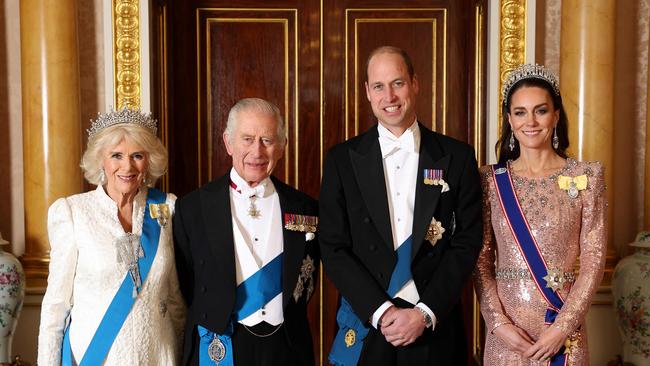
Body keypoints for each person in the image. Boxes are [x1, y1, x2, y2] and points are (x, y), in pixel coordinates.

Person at [319, 46, 483, 365]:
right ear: (367, 92)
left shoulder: (457, 157)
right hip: (369, 326)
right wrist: (382, 312)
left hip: (435, 328)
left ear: (415, 84)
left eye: (398, 83)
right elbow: (333, 246)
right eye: (379, 86)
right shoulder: (342, 160)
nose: (389, 96)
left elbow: (467, 242)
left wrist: (424, 313)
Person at [473, 63, 607, 365]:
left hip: (561, 331)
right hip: (508, 336)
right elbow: (481, 262)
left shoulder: (587, 176)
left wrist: (563, 326)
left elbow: (593, 259)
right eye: (520, 112)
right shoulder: (491, 181)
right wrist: (498, 323)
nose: (530, 121)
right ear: (509, 119)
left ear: (556, 115)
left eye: (540, 111)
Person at [173, 97, 319, 366]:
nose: (257, 152)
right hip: (220, 345)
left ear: (283, 146)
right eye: (248, 139)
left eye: (267, 140)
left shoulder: (306, 207)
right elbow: (187, 283)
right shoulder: (192, 208)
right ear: (228, 142)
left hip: (286, 347)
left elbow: (308, 280)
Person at [38, 108, 185, 365]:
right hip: (97, 356)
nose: (127, 166)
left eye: (137, 155)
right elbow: (56, 306)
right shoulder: (73, 213)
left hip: (158, 356)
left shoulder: (166, 209)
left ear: (149, 160)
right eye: (116, 155)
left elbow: (175, 299)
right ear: (101, 160)